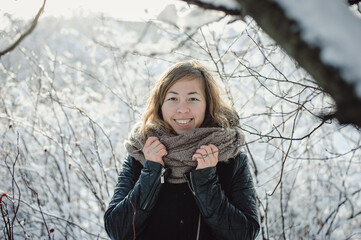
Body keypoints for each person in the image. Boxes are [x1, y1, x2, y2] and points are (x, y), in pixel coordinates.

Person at [104, 60, 260, 240]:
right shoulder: (140, 154)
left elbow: (245, 234)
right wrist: (151, 171)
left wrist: (206, 180)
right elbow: (116, 229)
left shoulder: (230, 157)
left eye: (193, 99)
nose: (182, 109)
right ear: (160, 105)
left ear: (207, 104)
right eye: (173, 99)